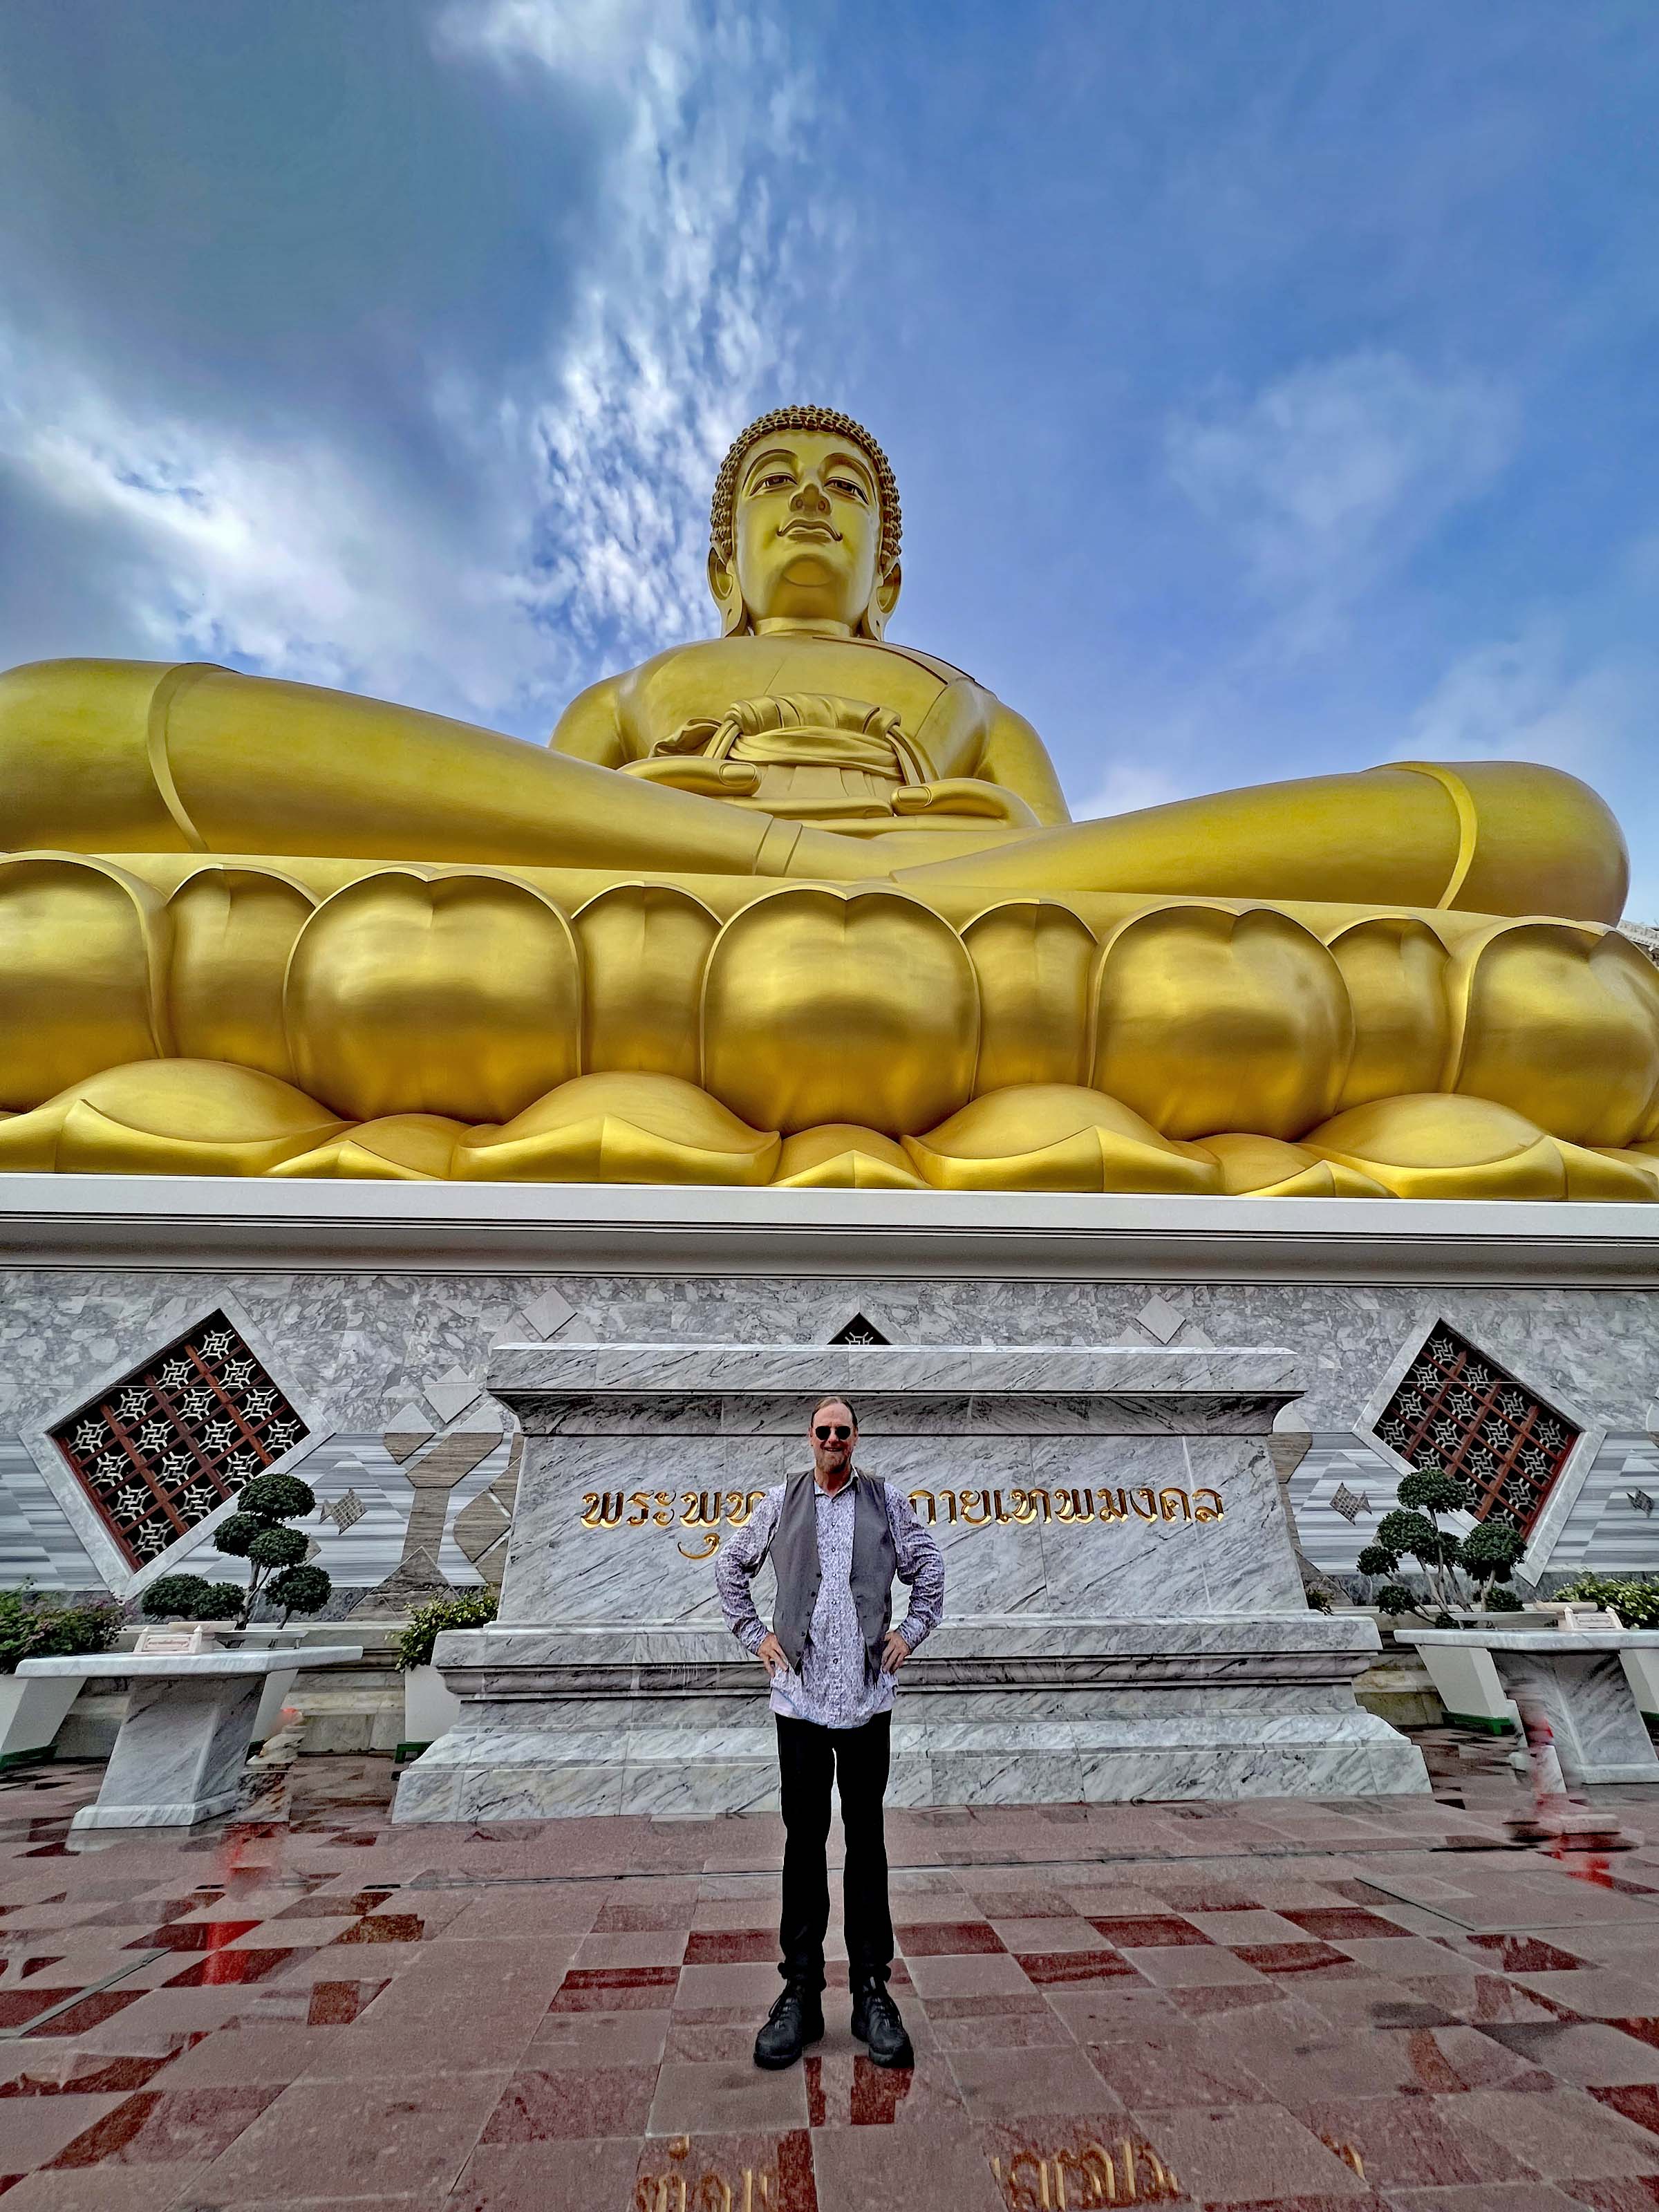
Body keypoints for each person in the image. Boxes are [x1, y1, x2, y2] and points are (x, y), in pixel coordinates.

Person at [714, 1393, 945, 2071]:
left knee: (867, 1840)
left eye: (844, 1430)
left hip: (868, 1698)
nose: (834, 1439)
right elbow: (731, 1565)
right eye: (824, 1430)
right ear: (809, 1436)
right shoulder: (781, 1500)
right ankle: (802, 1992)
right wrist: (755, 1634)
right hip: (800, 1701)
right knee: (804, 1840)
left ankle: (872, 1991)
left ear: (856, 1438)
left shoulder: (886, 1498)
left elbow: (929, 1567)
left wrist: (911, 1631)